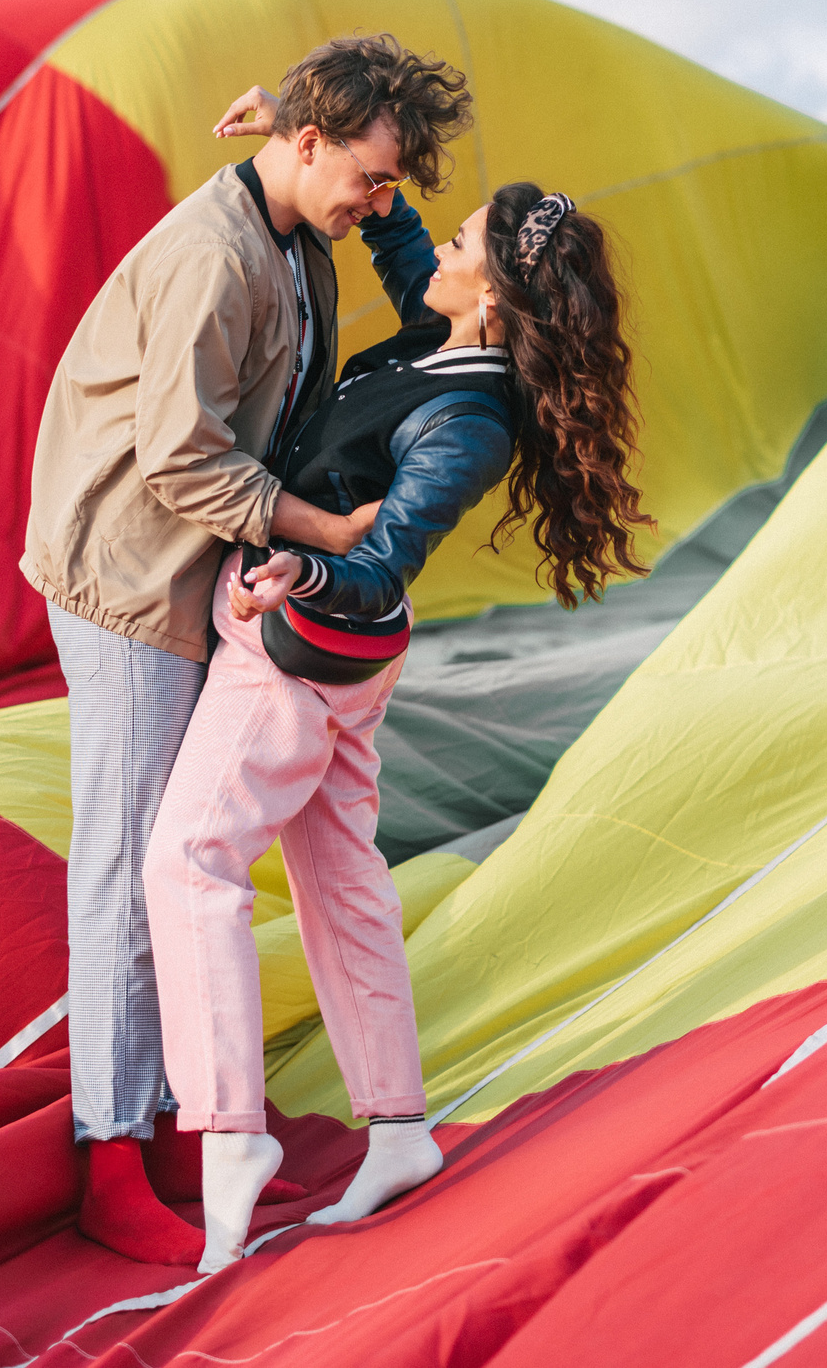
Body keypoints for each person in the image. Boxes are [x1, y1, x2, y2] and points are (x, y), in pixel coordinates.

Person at [143, 161, 652, 1273]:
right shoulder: (450, 341)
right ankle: (399, 1128)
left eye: (462, 243)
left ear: (493, 295)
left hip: (298, 648)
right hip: (346, 659)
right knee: (343, 883)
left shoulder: (467, 421)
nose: (439, 252)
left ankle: (228, 1129)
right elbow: (410, 260)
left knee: (190, 859)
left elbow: (382, 562)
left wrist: (302, 570)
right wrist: (383, 199)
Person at [20, 34, 473, 1264]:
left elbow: (352, 204)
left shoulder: (297, 218)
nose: (375, 205)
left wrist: (297, 122)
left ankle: (183, 1123)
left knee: (178, 852)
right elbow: (179, 457)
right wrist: (331, 530)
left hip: (193, 574)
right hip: (130, 582)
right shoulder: (216, 258)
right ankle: (112, 1155)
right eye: (369, 180)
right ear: (308, 146)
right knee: (132, 864)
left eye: (388, 188)